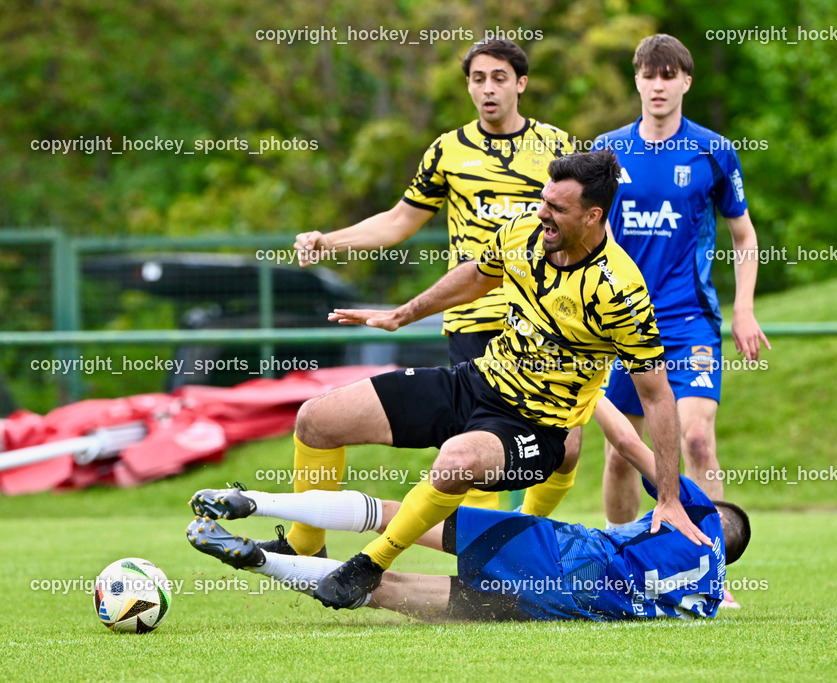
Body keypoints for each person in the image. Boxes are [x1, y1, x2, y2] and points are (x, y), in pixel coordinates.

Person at [234, 150, 707, 609]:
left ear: (592, 216)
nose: (542, 213)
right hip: (477, 380)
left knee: (455, 461)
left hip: (536, 428)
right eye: (543, 200)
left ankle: (369, 565)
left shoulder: (619, 291)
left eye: (556, 208)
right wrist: (404, 314)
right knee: (317, 418)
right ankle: (303, 545)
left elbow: (657, 396)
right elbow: (477, 276)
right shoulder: (525, 229)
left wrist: (668, 498)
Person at [277, 39, 578, 555]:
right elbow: (398, 221)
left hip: (545, 317)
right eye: (478, 78)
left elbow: (589, 224)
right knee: (485, 450)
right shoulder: (447, 151)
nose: (488, 88)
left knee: (566, 447)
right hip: (476, 321)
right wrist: (329, 240)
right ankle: (312, 550)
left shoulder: (558, 147)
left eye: (500, 78)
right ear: (467, 85)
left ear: (521, 84)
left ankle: (515, 547)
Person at [186, 399, 752, 621]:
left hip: (568, 552)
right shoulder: (706, 598)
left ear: (714, 519)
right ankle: (262, 562)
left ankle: (253, 502)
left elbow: (632, 446)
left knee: (395, 514)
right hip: (568, 607)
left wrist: (590, 389)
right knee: (383, 589)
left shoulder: (699, 514)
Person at [594, 35, 769, 534]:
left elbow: (744, 236)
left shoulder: (713, 151)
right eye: (648, 75)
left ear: (686, 82)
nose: (657, 85)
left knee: (696, 440)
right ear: (636, 81)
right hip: (622, 323)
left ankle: (709, 566)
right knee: (620, 455)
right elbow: (589, 235)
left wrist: (744, 310)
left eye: (668, 75)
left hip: (689, 319)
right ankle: (622, 564)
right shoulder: (607, 152)